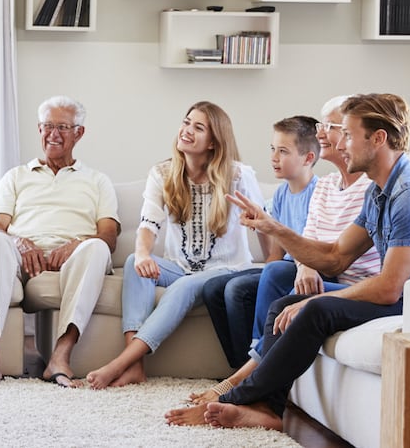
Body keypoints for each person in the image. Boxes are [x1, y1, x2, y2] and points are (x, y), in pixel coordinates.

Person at [166, 92, 410, 430]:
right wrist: (275, 229)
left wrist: (317, 299)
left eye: (347, 134)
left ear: (378, 139)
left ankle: (235, 397)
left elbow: (389, 288)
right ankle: (269, 408)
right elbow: (336, 257)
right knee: (284, 304)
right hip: (398, 295)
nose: (339, 143)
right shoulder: (379, 191)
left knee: (314, 309)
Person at [189, 95, 381, 404]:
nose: (320, 133)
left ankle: (248, 377)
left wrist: (301, 258)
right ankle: (249, 371)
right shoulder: (328, 186)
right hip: (320, 272)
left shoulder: (372, 190)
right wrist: (303, 261)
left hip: (350, 283)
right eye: (321, 125)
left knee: (268, 278)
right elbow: (308, 242)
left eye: (331, 127)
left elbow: (337, 257)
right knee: (252, 279)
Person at [85, 101, 267, 390]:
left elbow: (264, 223)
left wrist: (270, 264)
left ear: (213, 142)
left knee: (184, 286)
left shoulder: (238, 175)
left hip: (228, 270)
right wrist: (143, 253)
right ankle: (136, 367)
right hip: (181, 268)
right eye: (186, 122)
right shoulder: (163, 174)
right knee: (134, 262)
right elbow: (148, 224)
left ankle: (120, 363)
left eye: (198, 127)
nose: (187, 131)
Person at [0, 95, 120, 388]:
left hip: (75, 257)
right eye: (47, 126)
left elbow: (109, 235)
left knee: (97, 248)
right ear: (39, 129)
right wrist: (20, 242)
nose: (53, 134)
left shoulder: (97, 181)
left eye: (63, 127)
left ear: (79, 133)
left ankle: (60, 357)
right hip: (22, 253)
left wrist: (76, 243)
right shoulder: (15, 176)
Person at [202, 115, 320, 369]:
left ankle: (258, 364)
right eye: (272, 149)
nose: (274, 157)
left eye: (283, 151)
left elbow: (315, 250)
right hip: (283, 269)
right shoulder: (280, 195)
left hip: (305, 270)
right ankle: (240, 366)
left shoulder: (319, 193)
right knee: (212, 289)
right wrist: (258, 226)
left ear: (308, 158)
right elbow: (274, 256)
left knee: (237, 289)